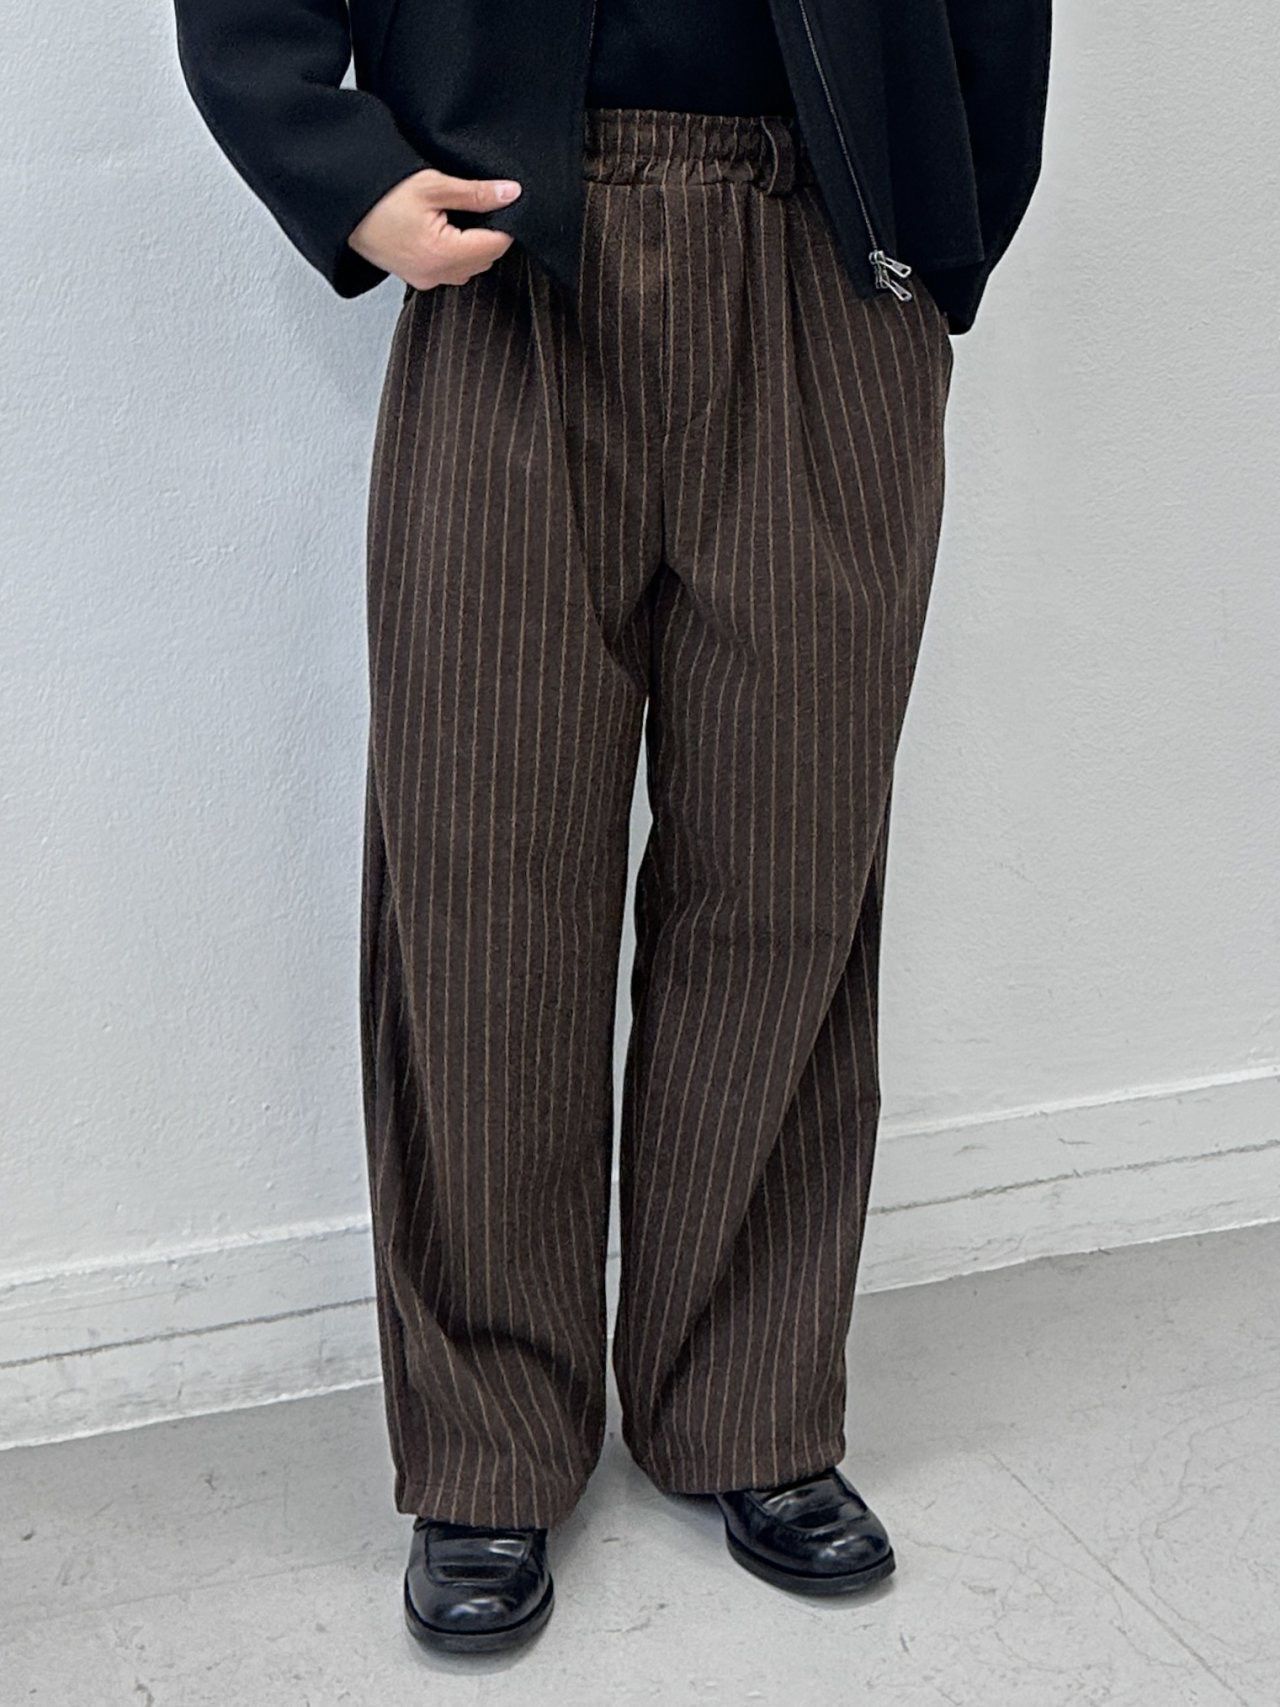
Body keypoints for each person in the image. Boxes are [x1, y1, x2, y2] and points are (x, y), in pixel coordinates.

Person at [172, 0, 1050, 1657]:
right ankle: (488, 1445)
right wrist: (339, 167)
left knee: (788, 869)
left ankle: (748, 1406)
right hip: (513, 256)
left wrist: (946, 221)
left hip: (832, 263)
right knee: (480, 876)